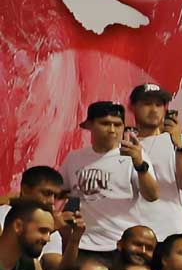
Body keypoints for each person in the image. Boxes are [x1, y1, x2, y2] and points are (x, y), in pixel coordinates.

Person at [61, 102, 161, 261]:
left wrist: (140, 164)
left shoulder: (134, 156)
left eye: (118, 124)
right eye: (105, 123)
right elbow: (59, 192)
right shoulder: (75, 158)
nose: (112, 130)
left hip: (121, 245)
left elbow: (152, 195)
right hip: (85, 243)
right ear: (89, 125)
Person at [127, 84, 182, 239]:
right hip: (134, 232)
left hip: (172, 233)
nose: (154, 110)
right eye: (147, 104)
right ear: (132, 107)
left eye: (159, 105)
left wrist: (179, 146)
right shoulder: (126, 146)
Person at [0, 166, 83, 270]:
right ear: (25, 190)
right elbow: (5, 253)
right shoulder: (2, 213)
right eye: (47, 193)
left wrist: (74, 240)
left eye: (55, 196)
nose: (51, 201)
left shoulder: (50, 226)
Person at [0, 200, 55, 270]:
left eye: (49, 233)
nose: (47, 239)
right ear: (18, 226)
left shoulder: (31, 266)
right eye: (43, 230)